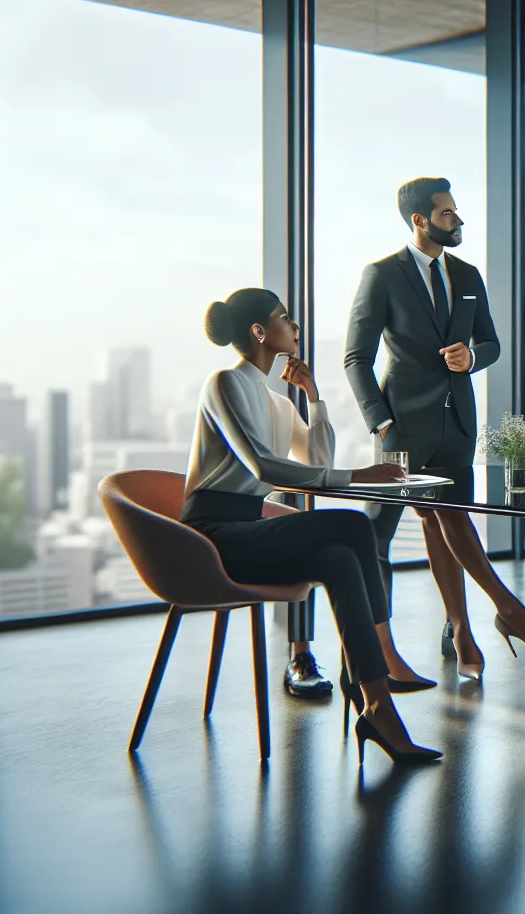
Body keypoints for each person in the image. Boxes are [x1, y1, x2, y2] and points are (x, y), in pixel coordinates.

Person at [182, 289, 438, 765]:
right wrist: (359, 477)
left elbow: (318, 462)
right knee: (356, 529)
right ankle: (377, 666)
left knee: (340, 557)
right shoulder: (224, 384)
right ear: (260, 332)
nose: (295, 325)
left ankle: (376, 701)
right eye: (284, 318)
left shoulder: (278, 403)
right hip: (210, 537)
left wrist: (313, 398)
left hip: (249, 528)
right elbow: (263, 467)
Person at [344, 176, 525, 681]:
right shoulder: (381, 275)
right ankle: (391, 647)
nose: (458, 221)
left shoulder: (467, 275)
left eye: (456, 212)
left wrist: (471, 358)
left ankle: (462, 630)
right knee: (382, 536)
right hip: (400, 430)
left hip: (457, 425)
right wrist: (380, 422)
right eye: (447, 214)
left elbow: (491, 343)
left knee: (446, 524)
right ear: (419, 220)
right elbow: (357, 357)